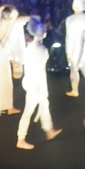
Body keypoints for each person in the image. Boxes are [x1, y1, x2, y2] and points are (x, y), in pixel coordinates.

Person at [17, 20, 62, 149]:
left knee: (44, 105)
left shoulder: (29, 47)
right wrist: (43, 88)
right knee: (29, 110)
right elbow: (41, 71)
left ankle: (49, 130)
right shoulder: (42, 49)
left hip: (30, 80)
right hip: (35, 83)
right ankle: (21, 138)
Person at [65, 0, 85, 98]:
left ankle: (75, 90)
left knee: (74, 70)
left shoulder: (70, 19)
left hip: (75, 48)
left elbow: (69, 36)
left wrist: (68, 52)